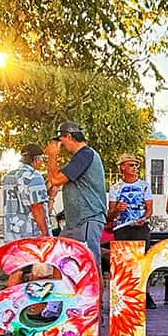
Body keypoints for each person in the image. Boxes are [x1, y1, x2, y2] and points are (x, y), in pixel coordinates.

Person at [44, 120, 108, 282]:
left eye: (61, 140)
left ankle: (95, 305)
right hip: (75, 222)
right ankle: (61, 302)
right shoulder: (79, 159)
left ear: (69, 136)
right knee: (61, 259)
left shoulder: (85, 155)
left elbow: (56, 179)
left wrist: (52, 156)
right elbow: (54, 181)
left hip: (87, 218)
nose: (61, 145)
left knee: (90, 263)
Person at [2, 144, 51, 243]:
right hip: (31, 236)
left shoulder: (7, 177)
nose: (42, 163)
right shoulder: (35, 177)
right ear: (36, 159)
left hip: (11, 235)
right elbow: (36, 207)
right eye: (42, 159)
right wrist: (45, 235)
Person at [108, 153, 153, 243]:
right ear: (123, 167)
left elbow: (149, 209)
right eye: (131, 165)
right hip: (122, 229)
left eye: (136, 165)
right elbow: (110, 215)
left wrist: (143, 219)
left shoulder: (144, 185)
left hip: (141, 229)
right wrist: (117, 209)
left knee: (142, 256)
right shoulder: (115, 188)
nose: (135, 167)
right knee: (123, 256)